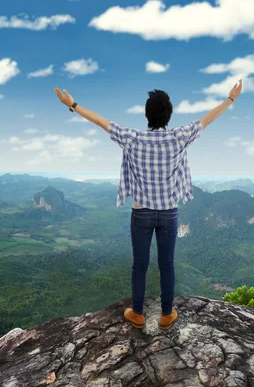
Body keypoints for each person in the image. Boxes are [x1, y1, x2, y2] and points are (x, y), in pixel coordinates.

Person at [54, 80, 243, 330]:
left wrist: (73, 105)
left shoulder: (133, 139)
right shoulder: (178, 137)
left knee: (139, 264)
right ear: (169, 115)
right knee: (167, 264)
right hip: (169, 214)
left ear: (146, 115)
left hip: (141, 213)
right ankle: (166, 315)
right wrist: (230, 100)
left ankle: (139, 314)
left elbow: (100, 121)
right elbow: (207, 119)